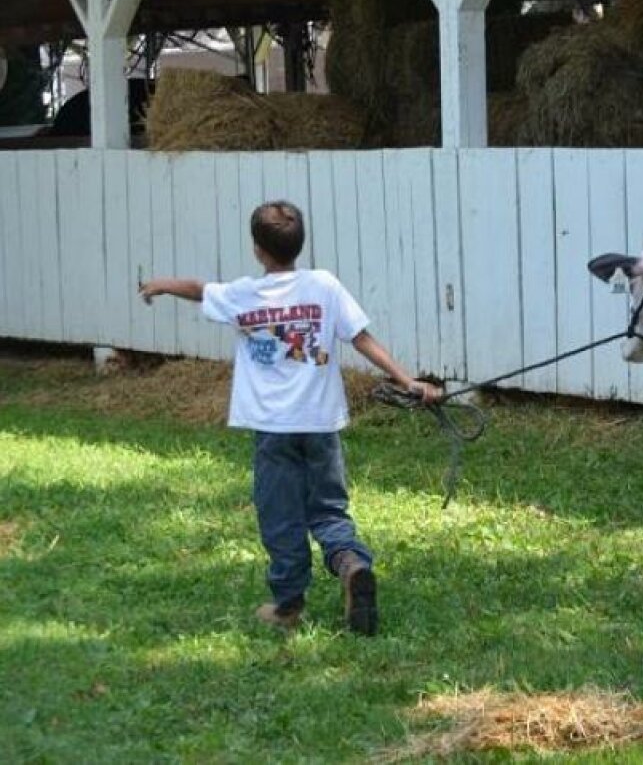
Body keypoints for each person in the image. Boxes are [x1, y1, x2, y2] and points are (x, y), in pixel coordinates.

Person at [138, 200, 441, 635]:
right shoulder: (324, 285)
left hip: (273, 429)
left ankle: (288, 605)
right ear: (300, 244)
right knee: (329, 511)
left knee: (281, 516)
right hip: (321, 425)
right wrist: (409, 380)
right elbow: (361, 337)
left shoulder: (244, 294)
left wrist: (160, 285)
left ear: (258, 250)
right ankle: (351, 564)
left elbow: (199, 290)